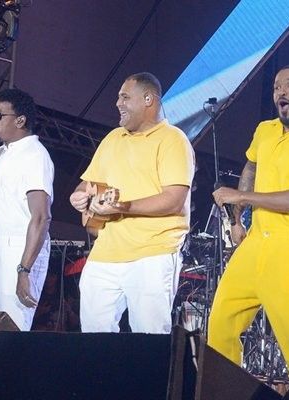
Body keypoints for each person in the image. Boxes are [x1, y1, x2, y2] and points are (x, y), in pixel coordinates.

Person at [208, 65, 289, 379]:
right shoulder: (265, 130)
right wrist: (237, 220)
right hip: (255, 242)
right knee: (220, 326)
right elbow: (251, 168)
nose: (281, 91)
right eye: (276, 87)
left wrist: (241, 197)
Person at [69, 72, 195, 334]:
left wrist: (123, 207)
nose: (118, 103)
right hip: (105, 254)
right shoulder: (113, 138)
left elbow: (173, 200)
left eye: (125, 97)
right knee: (92, 337)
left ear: (148, 99)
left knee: (148, 338)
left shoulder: (173, 139)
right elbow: (89, 183)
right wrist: (79, 196)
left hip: (154, 252)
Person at [0, 88, 54, 331]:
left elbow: (41, 217)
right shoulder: (1, 155)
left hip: (20, 248)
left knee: (13, 327)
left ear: (20, 120)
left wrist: (24, 269)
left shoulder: (35, 155)